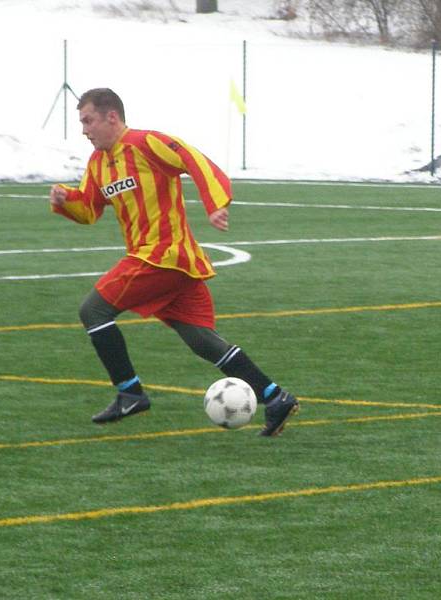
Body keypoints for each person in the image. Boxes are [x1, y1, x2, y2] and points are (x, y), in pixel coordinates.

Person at [49, 88, 298, 436]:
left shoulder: (146, 143)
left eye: (88, 120)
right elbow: (89, 208)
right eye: (81, 123)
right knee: (202, 340)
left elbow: (192, 159)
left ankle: (129, 391)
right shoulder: (98, 164)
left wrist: (216, 202)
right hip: (166, 265)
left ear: (111, 117)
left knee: (93, 311)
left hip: (163, 255)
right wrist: (65, 200)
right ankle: (275, 397)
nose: (84, 130)